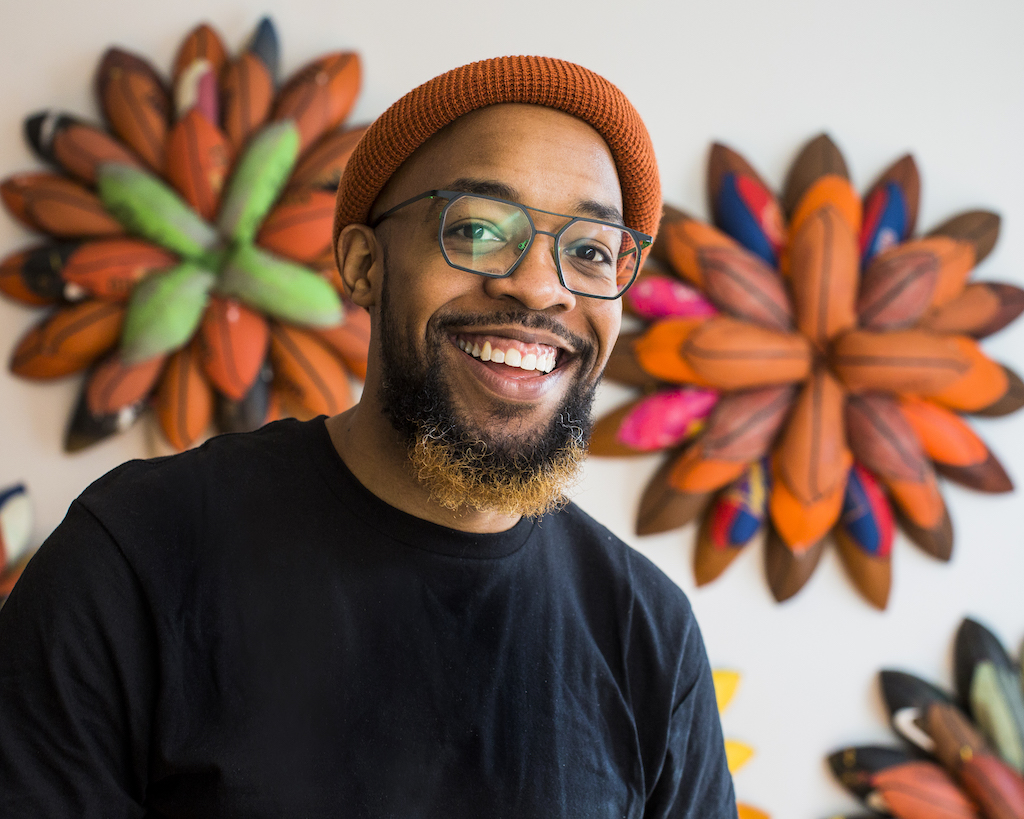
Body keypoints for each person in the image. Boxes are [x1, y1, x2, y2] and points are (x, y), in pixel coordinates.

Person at [0, 56, 737, 818]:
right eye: (478, 229)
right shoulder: (135, 555)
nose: (540, 287)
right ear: (363, 264)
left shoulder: (650, 636)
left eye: (589, 250)